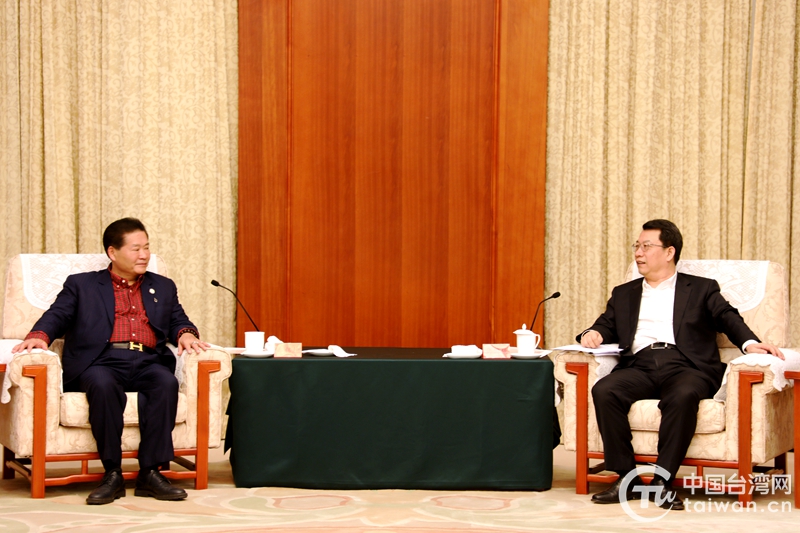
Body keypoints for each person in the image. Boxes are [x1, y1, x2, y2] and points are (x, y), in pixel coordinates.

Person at [578, 219, 783, 510]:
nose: (638, 253)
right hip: (639, 365)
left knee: (683, 395)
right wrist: (593, 333)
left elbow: (727, 317)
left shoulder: (700, 289)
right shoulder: (624, 293)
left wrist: (750, 344)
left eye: (646, 246)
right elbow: (604, 324)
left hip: (687, 366)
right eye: (637, 246)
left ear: (669, 251)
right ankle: (626, 478)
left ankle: (662, 481)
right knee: (605, 390)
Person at [12, 218, 210, 505]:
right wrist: (39, 336)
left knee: (165, 383)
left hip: (147, 359)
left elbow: (178, 319)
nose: (144, 255)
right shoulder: (82, 284)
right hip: (101, 360)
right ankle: (112, 473)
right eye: (135, 249)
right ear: (112, 252)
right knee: (102, 385)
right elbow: (58, 314)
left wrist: (187, 334)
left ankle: (150, 473)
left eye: (146, 248)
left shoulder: (163, 286)